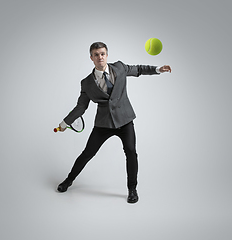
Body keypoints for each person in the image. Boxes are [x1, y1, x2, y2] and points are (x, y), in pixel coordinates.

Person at [56, 42, 171, 203]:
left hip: (125, 120)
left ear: (106, 55)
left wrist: (158, 69)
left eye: (102, 53)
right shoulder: (86, 83)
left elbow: (138, 69)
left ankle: (132, 189)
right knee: (87, 153)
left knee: (131, 152)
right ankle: (68, 180)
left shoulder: (119, 67)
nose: (100, 57)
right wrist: (65, 123)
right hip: (103, 124)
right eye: (96, 54)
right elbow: (81, 107)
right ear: (91, 58)